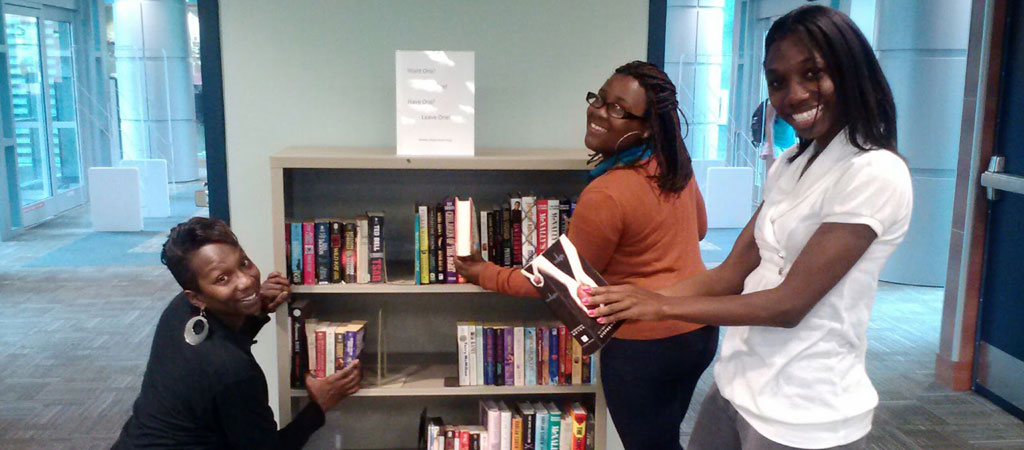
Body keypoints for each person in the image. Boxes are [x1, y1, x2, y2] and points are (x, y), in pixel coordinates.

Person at [588, 6, 910, 450]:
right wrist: (636, 301)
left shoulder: (873, 172)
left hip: (805, 412)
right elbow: (730, 274)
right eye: (777, 82)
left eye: (812, 74)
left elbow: (788, 305)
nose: (793, 94)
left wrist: (660, 307)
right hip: (738, 386)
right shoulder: (790, 164)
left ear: (851, 69)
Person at [456, 61, 715, 450]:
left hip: (645, 347)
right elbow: (699, 229)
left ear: (647, 127)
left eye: (618, 109)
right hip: (699, 332)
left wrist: (483, 273)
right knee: (664, 437)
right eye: (600, 99)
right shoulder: (675, 167)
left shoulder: (607, 192)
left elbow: (559, 283)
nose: (598, 112)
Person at [113, 217, 360, 449]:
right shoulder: (234, 371)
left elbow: (225, 338)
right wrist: (318, 406)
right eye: (222, 279)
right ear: (196, 297)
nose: (246, 281)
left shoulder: (179, 310)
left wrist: (257, 307)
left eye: (244, 263)